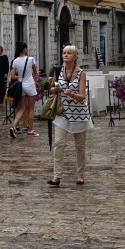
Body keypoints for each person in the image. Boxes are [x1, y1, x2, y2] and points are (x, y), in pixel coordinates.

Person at [49, 45, 93, 187]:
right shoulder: (57, 70)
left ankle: (80, 175)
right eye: (64, 53)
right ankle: (56, 175)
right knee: (59, 144)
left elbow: (82, 96)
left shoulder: (81, 73)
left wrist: (71, 94)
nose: (65, 55)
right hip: (62, 113)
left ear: (75, 57)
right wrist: (55, 89)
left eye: (69, 53)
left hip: (79, 114)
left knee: (80, 146)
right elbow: (51, 89)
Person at [8, 42, 39, 138]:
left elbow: (12, 76)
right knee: (30, 108)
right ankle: (30, 130)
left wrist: (20, 77)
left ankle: (13, 126)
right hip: (29, 84)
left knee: (22, 108)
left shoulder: (15, 61)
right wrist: (32, 74)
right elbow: (35, 72)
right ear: (24, 49)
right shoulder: (31, 59)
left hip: (21, 86)